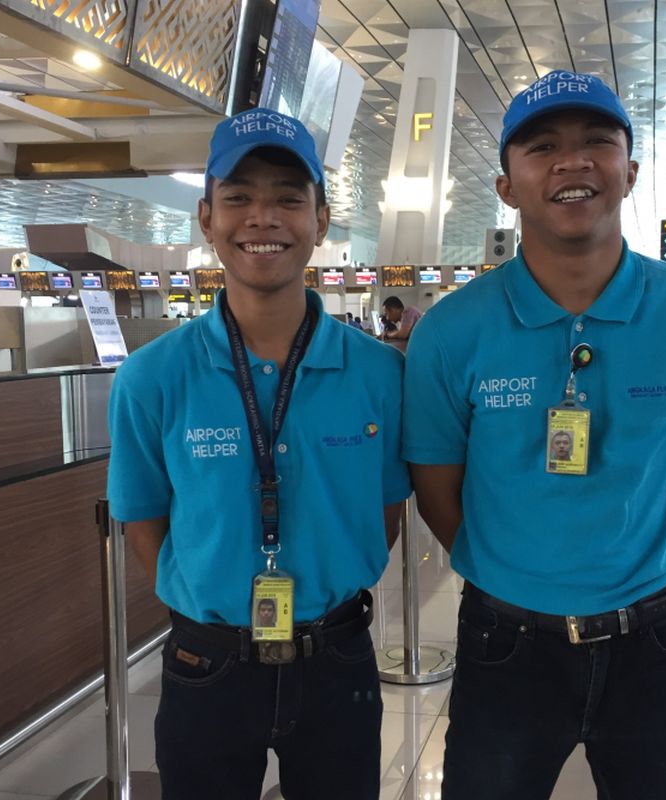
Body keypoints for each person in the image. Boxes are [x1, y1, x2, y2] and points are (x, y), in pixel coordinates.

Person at [403, 71, 666, 800]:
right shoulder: (452, 331)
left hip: (650, 640)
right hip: (505, 644)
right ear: (506, 185)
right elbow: (438, 489)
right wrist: (523, 565)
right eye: (543, 147)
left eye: (598, 141)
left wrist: (613, 554)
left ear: (630, 170)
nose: (573, 161)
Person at [107, 108, 411, 800]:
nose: (262, 217)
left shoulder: (378, 375)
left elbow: (384, 513)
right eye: (239, 197)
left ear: (321, 220)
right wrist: (216, 600)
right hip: (206, 661)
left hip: (338, 657)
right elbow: (145, 525)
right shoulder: (152, 378)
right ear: (207, 218)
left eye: (286, 198)